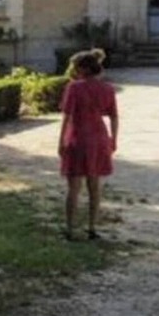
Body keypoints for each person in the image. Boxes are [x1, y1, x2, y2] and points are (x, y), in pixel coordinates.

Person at [58, 49, 118, 241]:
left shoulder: (74, 88)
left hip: (77, 137)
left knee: (74, 188)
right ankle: (92, 227)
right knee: (94, 186)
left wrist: (61, 141)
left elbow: (67, 116)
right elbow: (114, 116)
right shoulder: (108, 88)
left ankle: (70, 228)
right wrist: (114, 139)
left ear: (83, 69)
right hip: (99, 137)